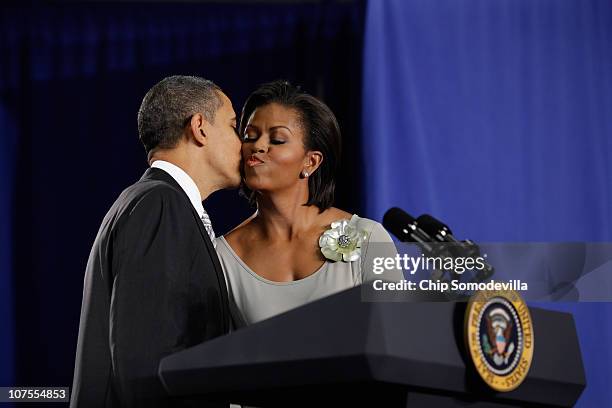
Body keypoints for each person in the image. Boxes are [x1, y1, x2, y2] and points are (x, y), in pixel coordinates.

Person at [70, 75, 242, 407]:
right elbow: (147, 364)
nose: (242, 143)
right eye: (233, 126)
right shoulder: (160, 204)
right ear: (200, 128)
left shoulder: (151, 200)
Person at [216, 80, 402, 326]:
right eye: (250, 136)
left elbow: (397, 337)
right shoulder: (221, 256)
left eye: (277, 140)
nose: (258, 146)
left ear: (311, 162)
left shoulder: (368, 237)